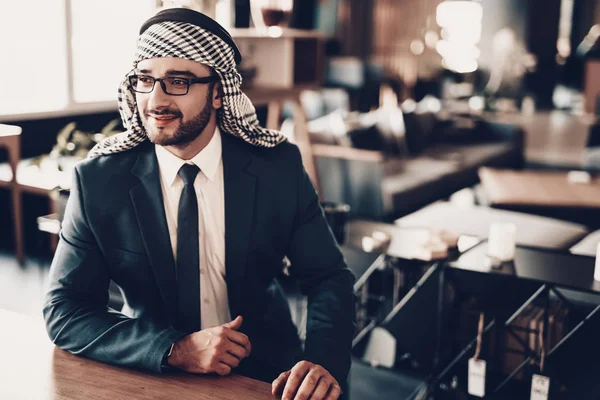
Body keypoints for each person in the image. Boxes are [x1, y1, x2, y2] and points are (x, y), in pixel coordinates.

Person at [43, 7, 355, 400]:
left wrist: (322, 362)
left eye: (178, 81)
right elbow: (65, 309)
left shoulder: (278, 168)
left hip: (271, 372)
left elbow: (329, 277)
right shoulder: (99, 182)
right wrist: (174, 349)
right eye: (145, 80)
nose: (155, 100)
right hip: (152, 370)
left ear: (219, 93)